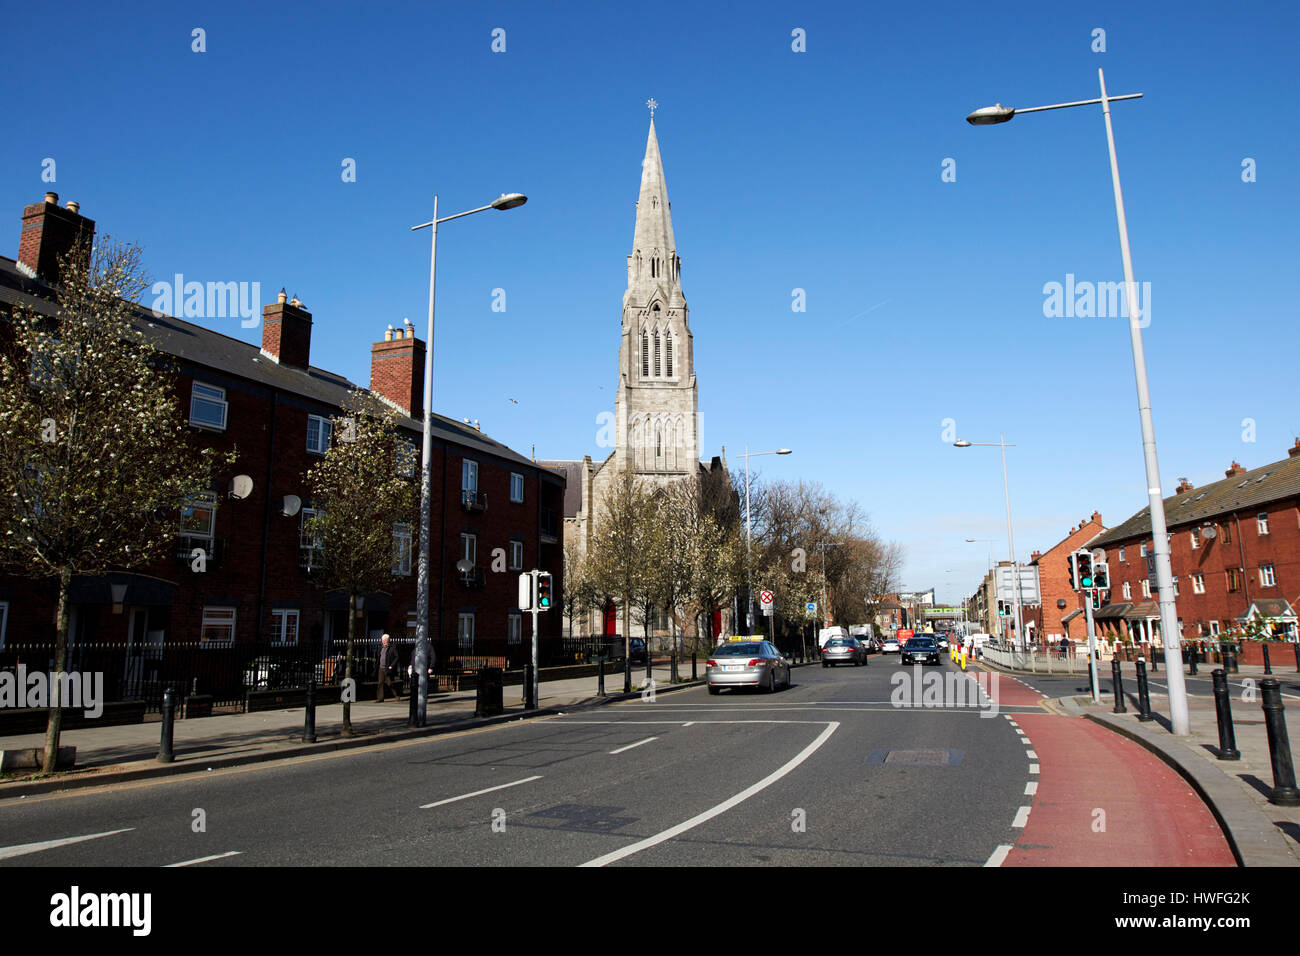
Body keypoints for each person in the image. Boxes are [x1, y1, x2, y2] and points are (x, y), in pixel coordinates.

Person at [377, 633, 401, 702]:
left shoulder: (392, 648)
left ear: (388, 640)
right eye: (382, 640)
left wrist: (391, 665)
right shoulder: (381, 647)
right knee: (380, 683)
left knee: (389, 683)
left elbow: (397, 657)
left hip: (387, 668)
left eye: (385, 640)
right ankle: (380, 698)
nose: (383, 642)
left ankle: (396, 695)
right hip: (381, 668)